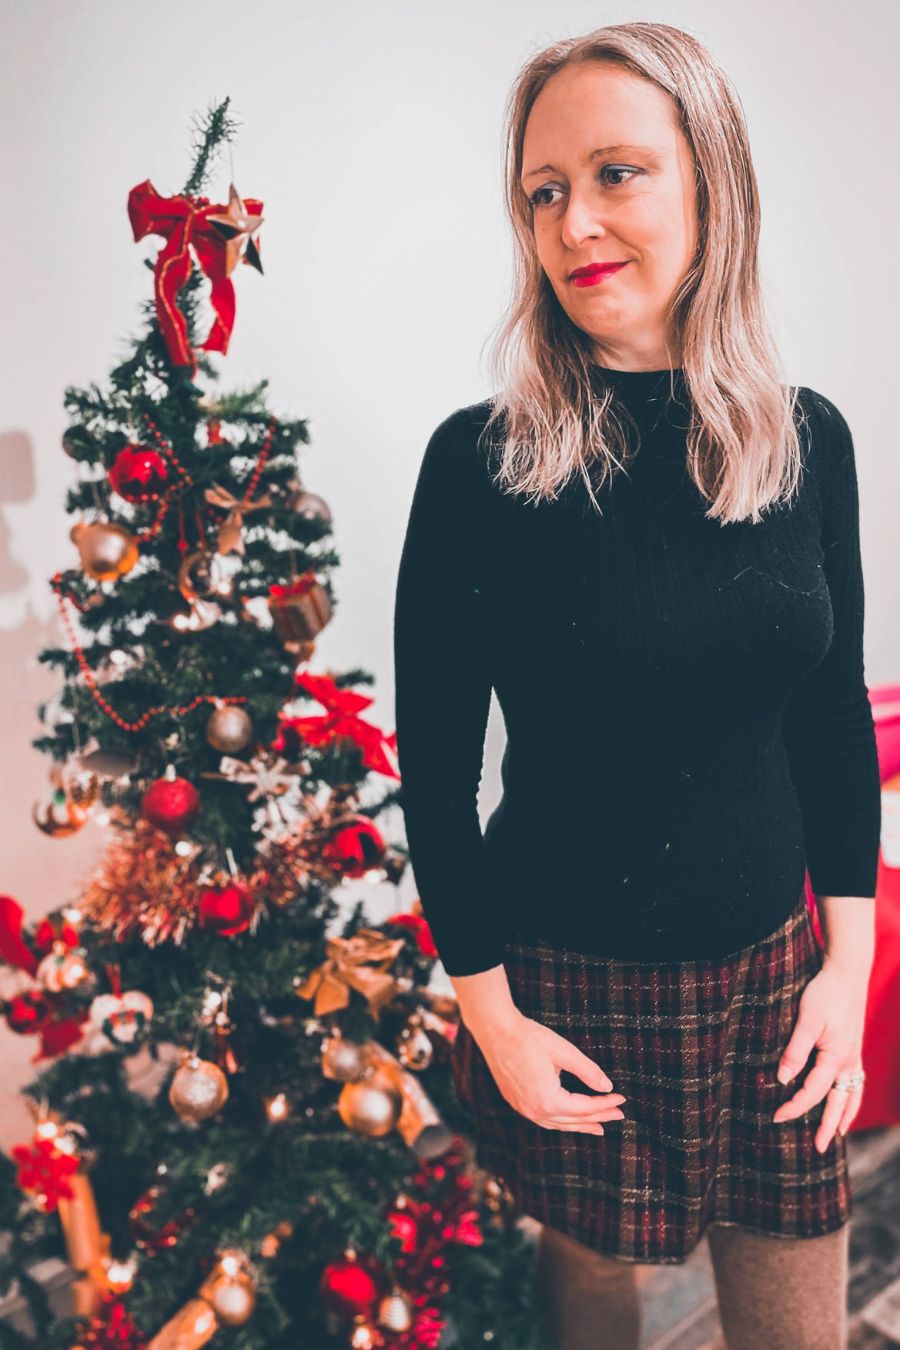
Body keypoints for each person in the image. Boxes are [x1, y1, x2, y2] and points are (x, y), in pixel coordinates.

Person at [392, 22, 880, 1350]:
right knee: (590, 1324)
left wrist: (850, 958)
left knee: (798, 1329)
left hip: (775, 985)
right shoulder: (479, 465)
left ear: (710, 185)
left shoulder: (807, 439)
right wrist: (489, 1014)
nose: (574, 222)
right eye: (544, 190)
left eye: (617, 173)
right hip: (566, 995)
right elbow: (433, 763)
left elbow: (832, 713)